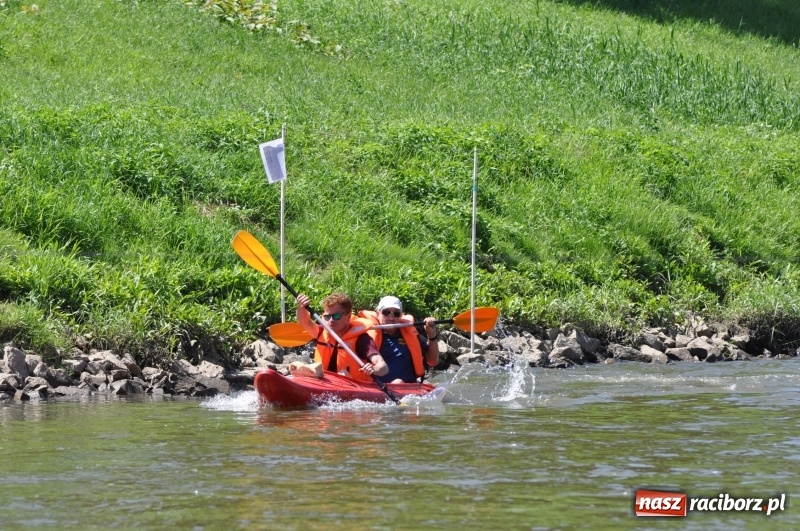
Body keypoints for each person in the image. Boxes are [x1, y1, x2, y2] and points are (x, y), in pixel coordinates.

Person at [295, 292, 388, 382]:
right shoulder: (321, 332)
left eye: (336, 316)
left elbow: (383, 367)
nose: (331, 320)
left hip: (353, 387)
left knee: (343, 373)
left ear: (348, 317)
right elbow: (305, 322)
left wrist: (374, 369)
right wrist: (302, 307)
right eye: (327, 316)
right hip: (324, 382)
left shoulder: (362, 340)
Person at [358, 296, 440, 384]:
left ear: (400, 316)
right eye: (386, 312)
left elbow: (433, 361)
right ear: (378, 314)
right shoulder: (367, 338)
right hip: (381, 389)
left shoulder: (410, 333)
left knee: (399, 382)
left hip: (410, 389)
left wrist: (432, 335)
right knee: (398, 382)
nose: (391, 318)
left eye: (396, 314)